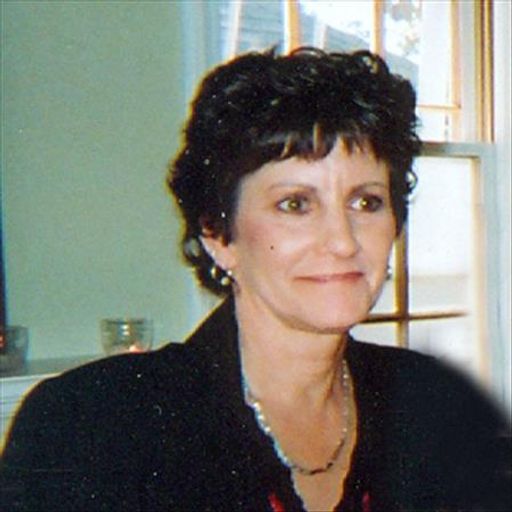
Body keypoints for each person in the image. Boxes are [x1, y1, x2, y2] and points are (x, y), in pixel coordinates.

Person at [1, 48, 510, 512]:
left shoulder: (432, 405)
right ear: (217, 233)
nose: (342, 241)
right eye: (295, 204)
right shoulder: (91, 425)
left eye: (366, 201)